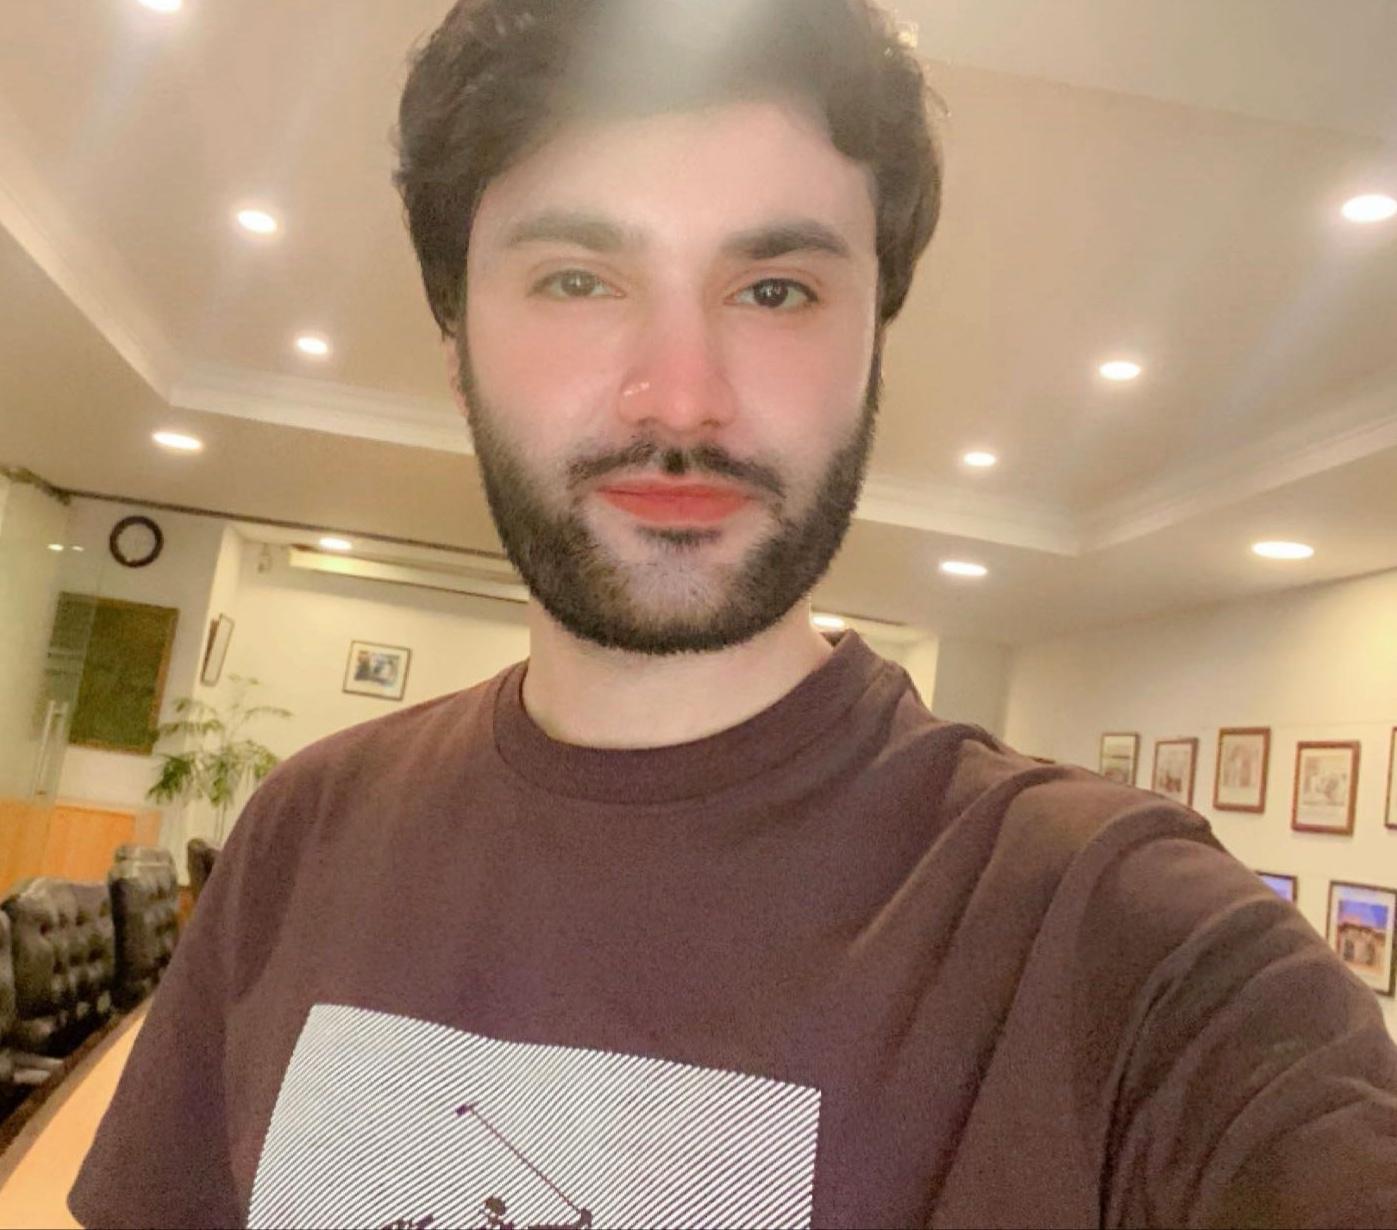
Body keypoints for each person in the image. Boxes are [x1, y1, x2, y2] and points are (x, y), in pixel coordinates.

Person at [70, 1, 1397, 1227]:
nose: (681, 397)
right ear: (457, 339)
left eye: (774, 290)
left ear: (872, 343)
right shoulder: (304, 831)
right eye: (578, 278)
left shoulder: (1130, 942)